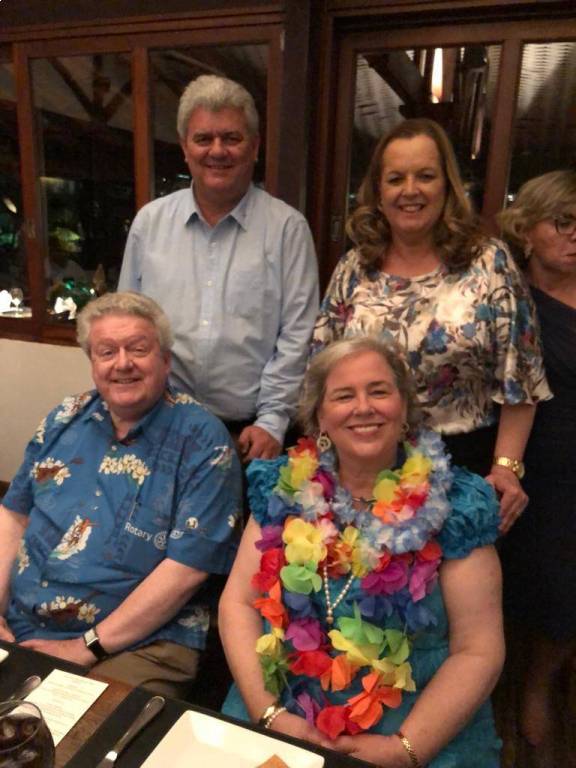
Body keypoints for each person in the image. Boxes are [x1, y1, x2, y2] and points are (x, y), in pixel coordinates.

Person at [219, 336, 505, 767]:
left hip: (417, 729)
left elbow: (477, 650)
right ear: (320, 416)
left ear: (404, 407)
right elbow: (238, 604)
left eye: (379, 391)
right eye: (343, 396)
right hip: (281, 712)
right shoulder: (283, 487)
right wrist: (270, 714)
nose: (364, 407)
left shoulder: (456, 505)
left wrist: (403, 750)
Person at [312, 118, 551, 533]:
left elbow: (521, 377)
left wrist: (506, 467)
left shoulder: (490, 263)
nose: (410, 190)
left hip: (464, 471)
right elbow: (321, 372)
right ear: (378, 192)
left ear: (447, 186)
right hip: (366, 470)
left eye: (425, 176)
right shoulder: (355, 267)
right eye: (396, 179)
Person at [0, 292, 241, 697]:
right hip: (21, 622)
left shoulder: (204, 442)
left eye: (138, 349)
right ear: (93, 363)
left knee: (71, 728)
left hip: (135, 644)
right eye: (107, 351)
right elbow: (13, 516)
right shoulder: (66, 416)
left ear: (166, 360)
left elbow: (187, 571)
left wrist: (84, 647)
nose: (123, 363)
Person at [119, 74, 319, 461]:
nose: (217, 151)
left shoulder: (287, 229)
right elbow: (128, 324)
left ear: (254, 146)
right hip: (158, 424)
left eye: (231, 138)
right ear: (185, 147)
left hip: (249, 437)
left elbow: (299, 334)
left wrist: (272, 420)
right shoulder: (150, 223)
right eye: (203, 139)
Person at [498, 170, 576, 763]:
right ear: (526, 230)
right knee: (520, 581)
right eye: (564, 222)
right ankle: (501, 685)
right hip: (529, 462)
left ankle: (542, 681)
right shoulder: (508, 299)